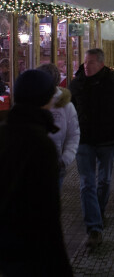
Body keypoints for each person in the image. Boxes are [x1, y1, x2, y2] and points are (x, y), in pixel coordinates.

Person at [0, 70, 73, 276]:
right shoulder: (41, 144)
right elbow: (47, 212)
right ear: (44, 99)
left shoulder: (4, 132)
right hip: (29, 246)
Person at [70, 48, 114, 249]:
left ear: (101, 64)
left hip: (107, 141)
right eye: (85, 62)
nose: (86, 65)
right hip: (84, 141)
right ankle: (94, 227)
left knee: (104, 180)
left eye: (91, 62)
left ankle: (99, 211)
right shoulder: (76, 84)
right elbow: (70, 111)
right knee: (86, 183)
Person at [37, 63, 80, 188]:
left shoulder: (65, 104)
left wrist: (65, 160)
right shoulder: (31, 102)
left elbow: (73, 135)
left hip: (56, 162)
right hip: (31, 162)